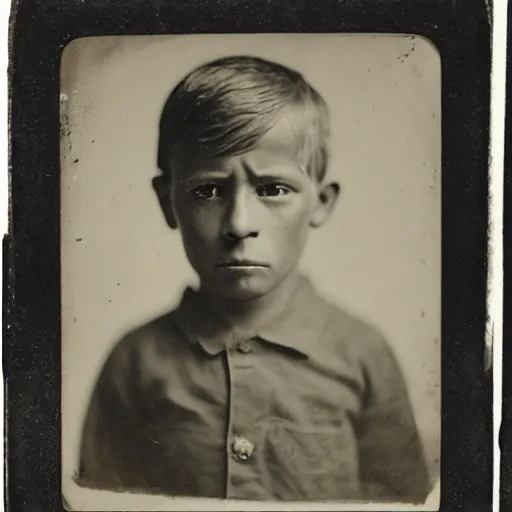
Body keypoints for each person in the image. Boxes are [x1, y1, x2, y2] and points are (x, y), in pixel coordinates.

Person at [77, 55, 431, 503]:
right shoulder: (135, 363)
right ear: (168, 203)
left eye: (272, 189)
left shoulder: (363, 355)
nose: (239, 224)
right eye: (208, 191)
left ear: (320, 202)